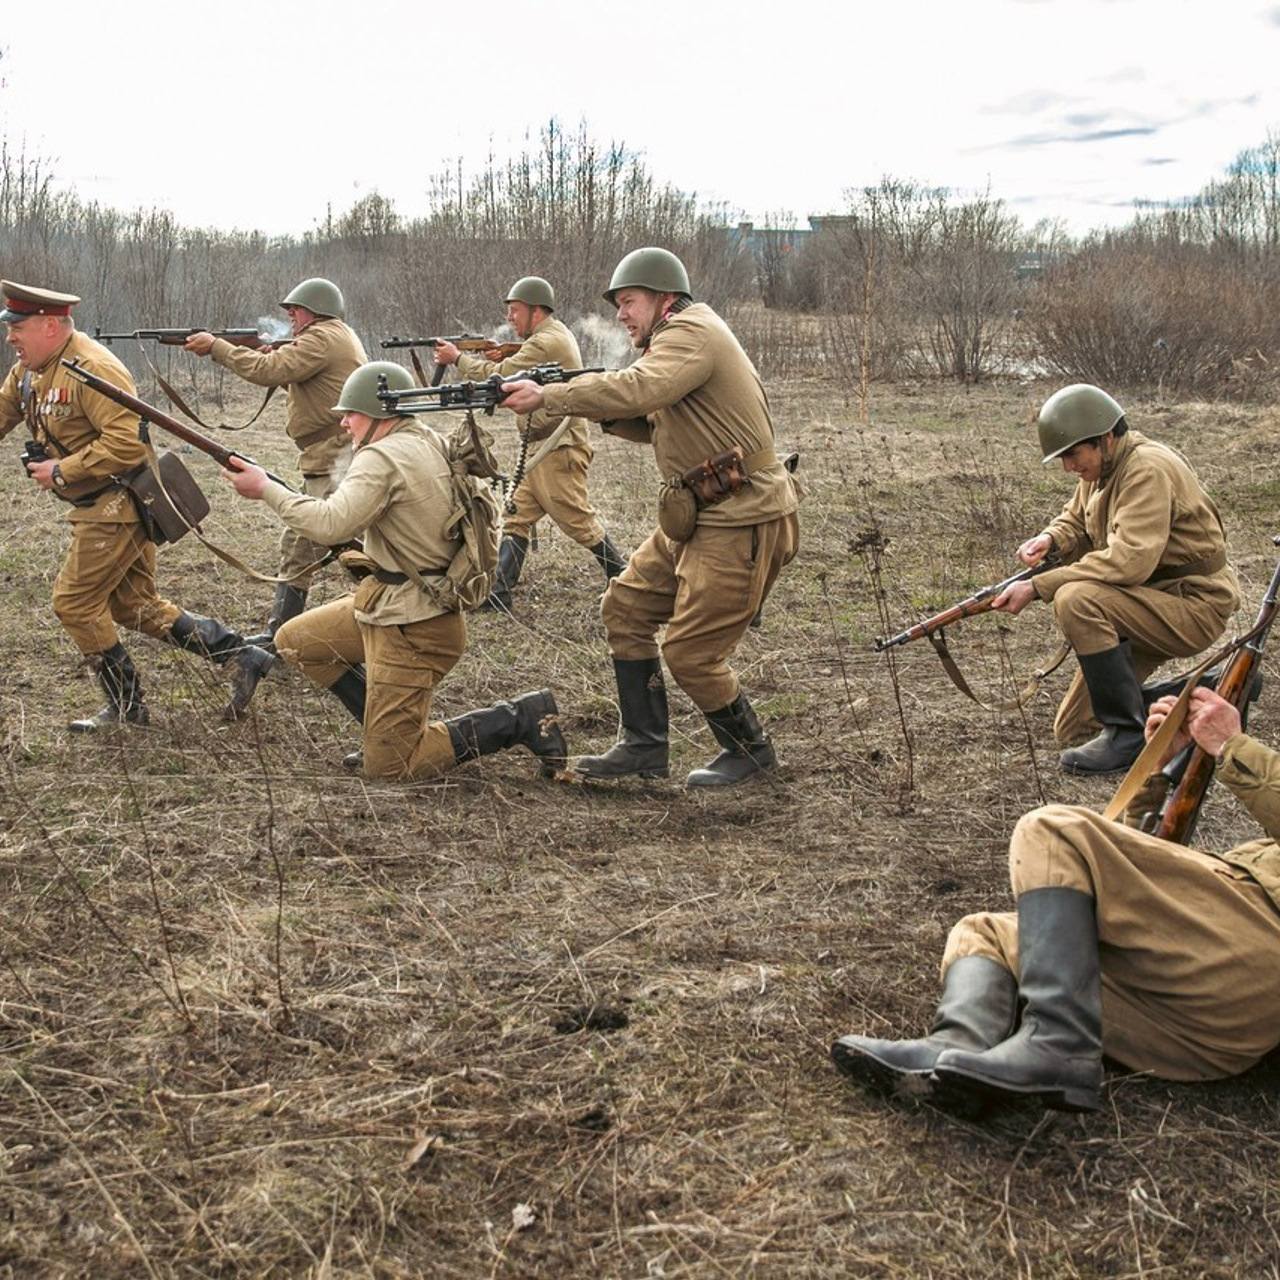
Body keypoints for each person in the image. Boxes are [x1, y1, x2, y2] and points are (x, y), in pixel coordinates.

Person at [830, 685, 1280, 1115]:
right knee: (986, 933)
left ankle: (1058, 1046)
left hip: (1251, 959)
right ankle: (954, 1052)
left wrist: (1233, 747)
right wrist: (1161, 767)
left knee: (1053, 831)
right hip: (1200, 1036)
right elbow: (1143, 858)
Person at [500, 248, 800, 788]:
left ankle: (750, 751)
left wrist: (556, 393)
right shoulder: (675, 342)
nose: (621, 314)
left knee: (691, 652)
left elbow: (642, 388)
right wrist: (594, 407)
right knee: (626, 607)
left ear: (665, 298)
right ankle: (643, 746)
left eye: (629, 301)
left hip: (739, 517)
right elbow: (656, 417)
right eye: (617, 304)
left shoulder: (691, 333)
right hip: (698, 514)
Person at [221, 360, 568, 781]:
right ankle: (379, 730)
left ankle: (520, 718)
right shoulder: (425, 439)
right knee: (296, 640)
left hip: (414, 627)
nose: (345, 422)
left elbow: (330, 523)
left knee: (391, 768)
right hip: (392, 605)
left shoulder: (381, 457)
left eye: (351, 412)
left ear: (379, 414)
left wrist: (265, 489)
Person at [0, 281, 275, 730]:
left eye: (19, 327)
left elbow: (126, 446)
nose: (11, 336)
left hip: (117, 505)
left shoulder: (92, 367)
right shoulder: (29, 370)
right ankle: (241, 655)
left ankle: (128, 708)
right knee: (134, 606)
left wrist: (61, 471)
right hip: (96, 505)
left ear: (50, 326)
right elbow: (3, 411)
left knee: (75, 604)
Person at [991, 383, 1238, 775]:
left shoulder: (1146, 470)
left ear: (1105, 438)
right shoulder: (1102, 467)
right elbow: (1076, 518)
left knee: (1076, 598)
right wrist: (1050, 538)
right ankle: (1213, 690)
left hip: (1192, 606)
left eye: (1072, 454)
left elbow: (1128, 562)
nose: (1068, 467)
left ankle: (1126, 736)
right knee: (1073, 729)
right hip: (1143, 602)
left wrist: (1039, 586)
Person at [184, 277, 367, 645]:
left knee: (321, 541)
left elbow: (269, 371)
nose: (291, 317)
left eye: (295, 311)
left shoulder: (323, 337)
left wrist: (217, 347)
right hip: (329, 454)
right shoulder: (331, 336)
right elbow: (304, 381)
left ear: (316, 311)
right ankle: (281, 637)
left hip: (335, 455)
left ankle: (282, 639)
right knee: (324, 543)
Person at [433, 276, 626, 612]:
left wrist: (457, 359)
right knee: (516, 516)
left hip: (557, 447)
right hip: (543, 446)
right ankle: (499, 593)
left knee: (576, 519)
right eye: (508, 310)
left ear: (537, 310)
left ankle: (623, 575)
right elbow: (517, 363)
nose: (510, 317)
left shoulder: (545, 342)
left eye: (515, 310)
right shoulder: (548, 336)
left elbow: (500, 377)